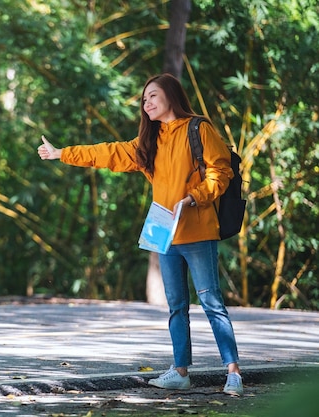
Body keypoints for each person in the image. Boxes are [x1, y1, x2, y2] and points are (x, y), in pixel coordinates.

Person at [37, 73, 243, 396]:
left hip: (198, 228)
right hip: (164, 232)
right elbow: (108, 153)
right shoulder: (150, 141)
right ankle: (180, 370)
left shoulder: (198, 128)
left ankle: (233, 373)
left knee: (211, 302)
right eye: (144, 100)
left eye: (153, 97)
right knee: (176, 305)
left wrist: (195, 197)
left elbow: (221, 171)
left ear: (171, 97)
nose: (146, 104)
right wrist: (62, 153)